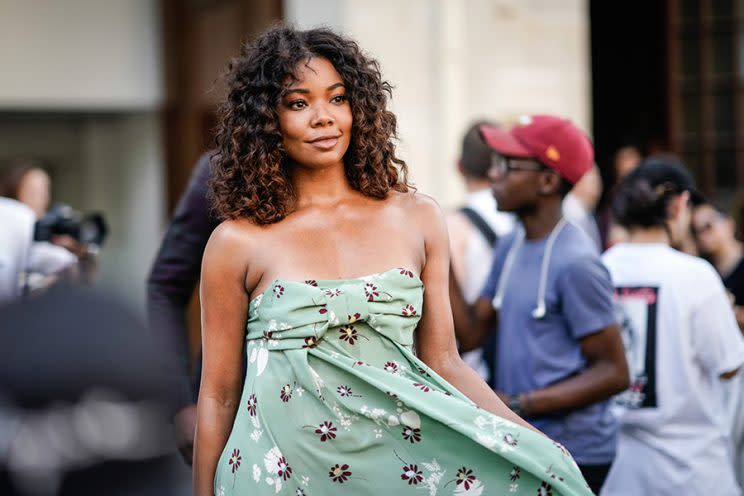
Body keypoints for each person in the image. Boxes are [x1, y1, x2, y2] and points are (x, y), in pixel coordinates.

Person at [193, 25, 592, 496]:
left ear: (358, 108)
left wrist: (532, 442)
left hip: (395, 471)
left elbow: (444, 360)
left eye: (337, 98)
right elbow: (218, 394)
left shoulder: (416, 217)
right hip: (274, 477)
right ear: (266, 120)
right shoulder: (236, 242)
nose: (323, 117)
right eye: (298, 103)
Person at [451, 115, 629, 493]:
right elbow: (470, 336)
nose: (493, 175)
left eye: (507, 166)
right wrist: (435, 249)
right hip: (530, 440)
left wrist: (518, 402)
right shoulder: (511, 244)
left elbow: (614, 372)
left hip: (576, 452)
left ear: (548, 181)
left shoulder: (576, 261)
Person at [600, 158, 744, 496]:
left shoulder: (601, 269)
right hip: (692, 468)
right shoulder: (694, 275)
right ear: (679, 204)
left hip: (621, 470)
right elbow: (728, 366)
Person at [147, 150, 219, 465]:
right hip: (234, 407)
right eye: (299, 102)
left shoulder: (369, 183)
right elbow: (165, 286)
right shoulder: (221, 172)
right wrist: (179, 403)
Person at [446, 121, 515, 380]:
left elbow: (451, 314)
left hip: (477, 371)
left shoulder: (452, 225)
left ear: (459, 166)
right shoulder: (522, 218)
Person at [692, 200, 744, 488]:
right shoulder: (704, 272)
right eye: (697, 229)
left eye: (709, 225)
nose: (704, 234)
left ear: (729, 225)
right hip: (720, 375)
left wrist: (731, 313)